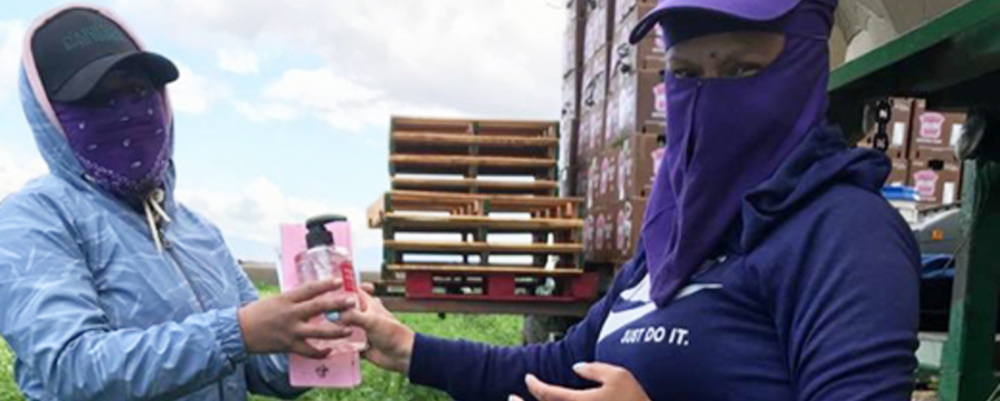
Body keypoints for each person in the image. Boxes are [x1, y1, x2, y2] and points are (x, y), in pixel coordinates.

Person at [338, 0, 921, 400]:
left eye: (743, 67)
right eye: (687, 72)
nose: (709, 97)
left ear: (803, 66)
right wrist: (409, 349)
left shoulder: (844, 234)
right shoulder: (675, 237)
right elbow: (557, 366)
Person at [0, 5, 356, 400]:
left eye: (137, 91)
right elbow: (73, 367)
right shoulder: (32, 221)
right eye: (98, 98)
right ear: (48, 115)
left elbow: (259, 368)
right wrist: (236, 332)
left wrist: (328, 333)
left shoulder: (199, 232)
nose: (126, 111)